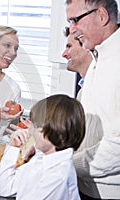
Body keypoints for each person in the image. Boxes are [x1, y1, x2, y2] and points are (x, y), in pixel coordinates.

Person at [0, 94, 85, 200]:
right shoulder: (41, 159)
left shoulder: (58, 175)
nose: (30, 131)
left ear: (44, 131)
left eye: (33, 126)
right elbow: (5, 188)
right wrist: (13, 148)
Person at [66, 0, 120, 199]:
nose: (72, 29)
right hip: (85, 185)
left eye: (75, 20)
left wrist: (68, 163)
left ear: (102, 16)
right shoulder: (99, 58)